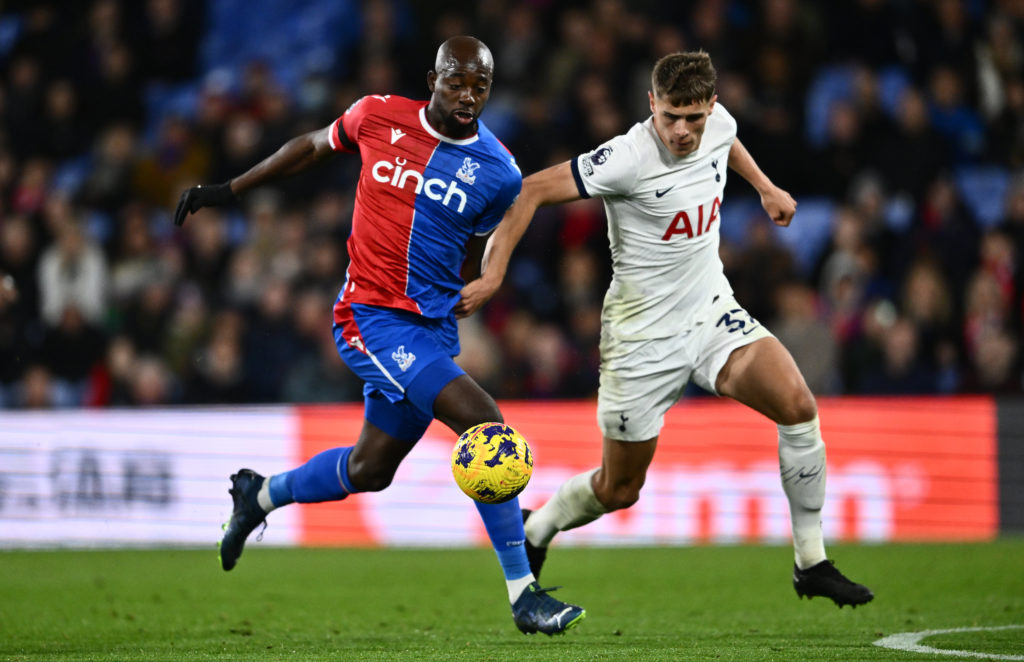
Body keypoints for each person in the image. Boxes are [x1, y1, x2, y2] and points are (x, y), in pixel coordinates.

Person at [173, 36, 585, 635]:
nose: (468, 96)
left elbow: (503, 226)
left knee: (370, 470)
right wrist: (227, 190)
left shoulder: (498, 171)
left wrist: (491, 276)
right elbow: (310, 147)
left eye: (480, 86)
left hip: (433, 329)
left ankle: (259, 495)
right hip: (370, 318)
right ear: (433, 78)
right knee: (485, 422)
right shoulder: (377, 115)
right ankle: (525, 593)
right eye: (456, 82)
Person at [457, 51, 874, 609]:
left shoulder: (717, 125)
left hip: (710, 312)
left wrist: (766, 188)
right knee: (618, 489)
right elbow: (530, 190)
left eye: (694, 118)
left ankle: (811, 562)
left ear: (711, 108)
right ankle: (538, 528)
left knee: (798, 405)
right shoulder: (626, 157)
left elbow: (727, 140)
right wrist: (492, 275)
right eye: (671, 116)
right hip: (640, 338)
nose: (682, 130)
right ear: (652, 104)